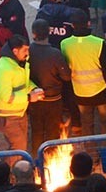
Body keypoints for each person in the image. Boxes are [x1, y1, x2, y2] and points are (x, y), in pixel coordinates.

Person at [28, 20, 73, 150]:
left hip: (35, 99)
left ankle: (38, 160)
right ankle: (52, 159)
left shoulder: (28, 51)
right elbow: (66, 76)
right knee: (53, 132)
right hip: (54, 100)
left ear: (33, 34)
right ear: (49, 32)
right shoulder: (55, 54)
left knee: (36, 131)